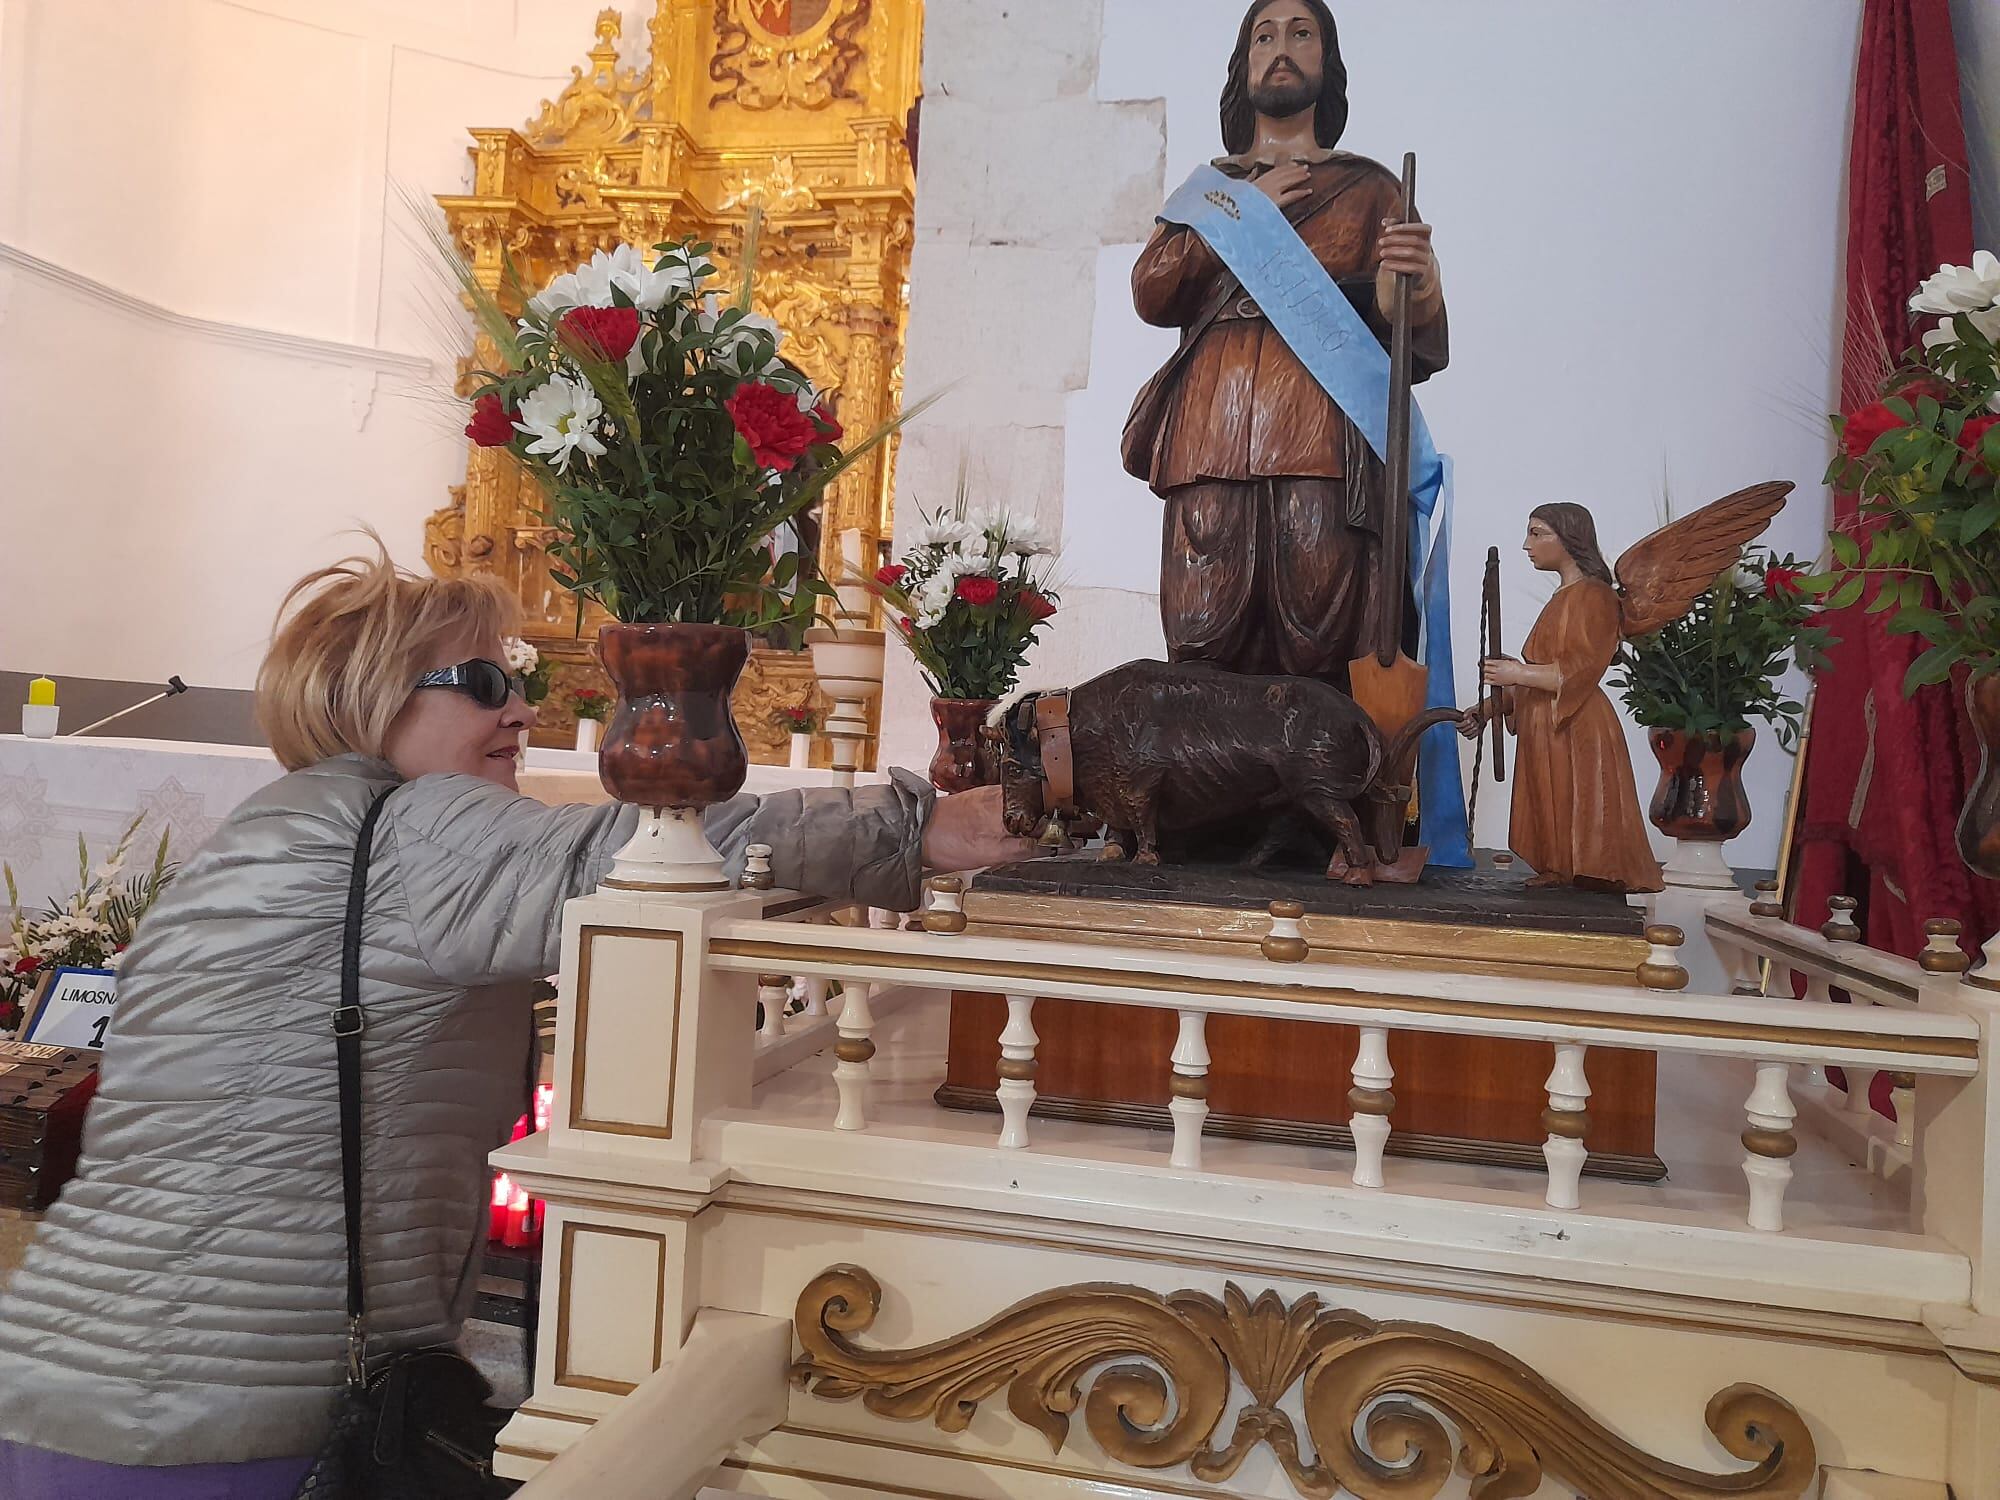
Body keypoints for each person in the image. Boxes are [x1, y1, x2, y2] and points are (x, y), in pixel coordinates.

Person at [0, 546, 1033, 1498]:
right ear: (372, 697)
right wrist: (921, 828)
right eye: (484, 683)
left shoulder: (260, 838)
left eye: (519, 680)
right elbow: (645, 849)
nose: (519, 708)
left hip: (66, 1374)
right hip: (222, 1413)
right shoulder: (415, 828)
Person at [1123, 0, 1447, 686]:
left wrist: (1419, 283)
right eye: (1264, 36)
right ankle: (1208, 789)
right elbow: (1152, 291)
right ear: (1242, 68)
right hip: (1207, 437)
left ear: (1326, 62)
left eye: (1302, 34)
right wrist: (1248, 213)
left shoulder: (1369, 189)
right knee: (1201, 631)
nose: (1281, 47)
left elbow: (1411, 336)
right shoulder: (1209, 192)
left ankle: (1322, 790)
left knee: (1321, 629)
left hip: (1322, 443)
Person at [1460, 505, 1662, 892]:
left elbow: (1581, 668)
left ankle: (1589, 872)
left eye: (1537, 534)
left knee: (1582, 803)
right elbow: (1536, 678)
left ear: (1569, 539)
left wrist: (1517, 672)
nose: (1526, 545)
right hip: (1545, 724)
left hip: (1576, 725)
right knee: (1549, 801)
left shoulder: (1596, 596)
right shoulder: (1562, 597)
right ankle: (1557, 867)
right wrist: (1487, 710)